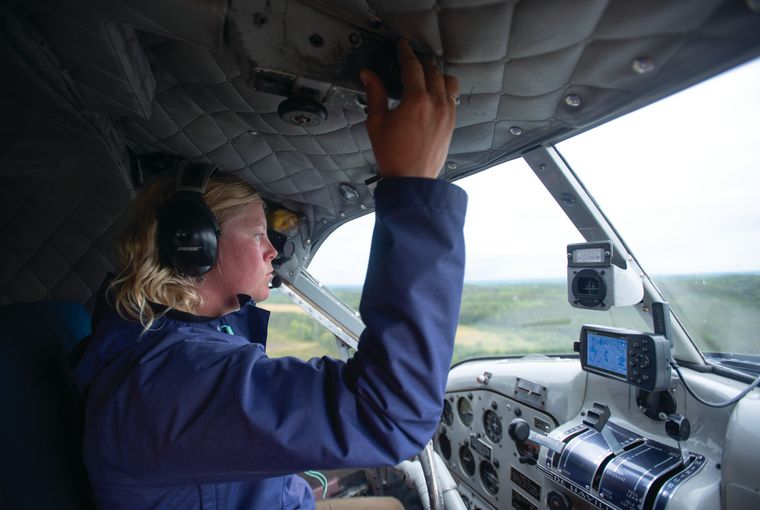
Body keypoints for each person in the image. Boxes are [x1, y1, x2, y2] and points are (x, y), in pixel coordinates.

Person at [73, 39, 466, 509]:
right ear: (195, 244)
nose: (272, 252)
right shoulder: (169, 381)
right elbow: (390, 416)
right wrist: (413, 186)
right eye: (259, 233)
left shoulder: (166, 345)